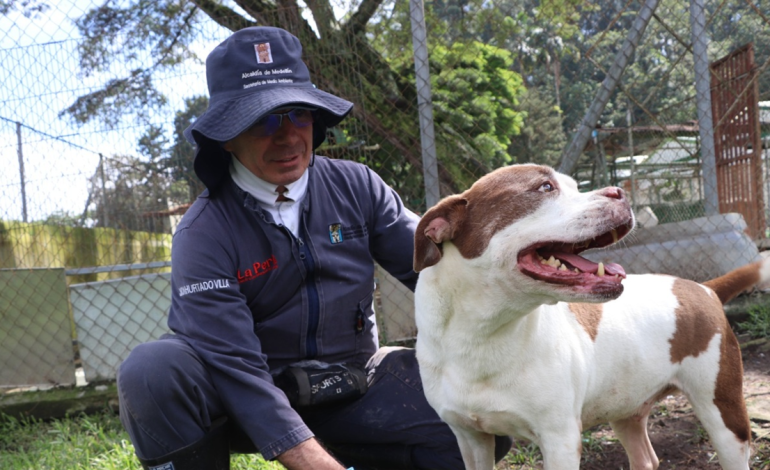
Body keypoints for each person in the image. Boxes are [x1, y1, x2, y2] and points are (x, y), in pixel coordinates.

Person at [117, 26, 512, 470]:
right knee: (153, 370)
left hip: (351, 383)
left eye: (297, 115)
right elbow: (238, 371)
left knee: (472, 430)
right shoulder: (203, 233)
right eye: (263, 121)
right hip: (243, 401)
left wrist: (530, 287)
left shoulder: (358, 186)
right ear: (227, 135)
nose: (286, 137)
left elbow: (444, 271)